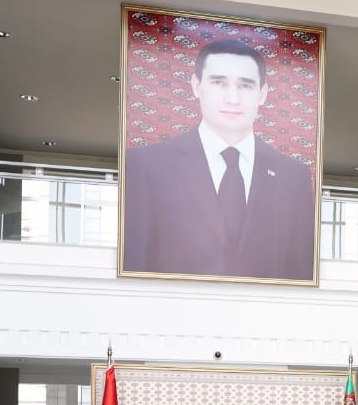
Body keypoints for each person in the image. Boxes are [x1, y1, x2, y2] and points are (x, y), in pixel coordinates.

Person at [121, 38, 317, 281]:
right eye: (219, 83)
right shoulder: (147, 165)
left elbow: (300, 271)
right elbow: (134, 267)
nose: (232, 98)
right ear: (196, 86)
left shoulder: (293, 176)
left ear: (263, 94)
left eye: (245, 86)